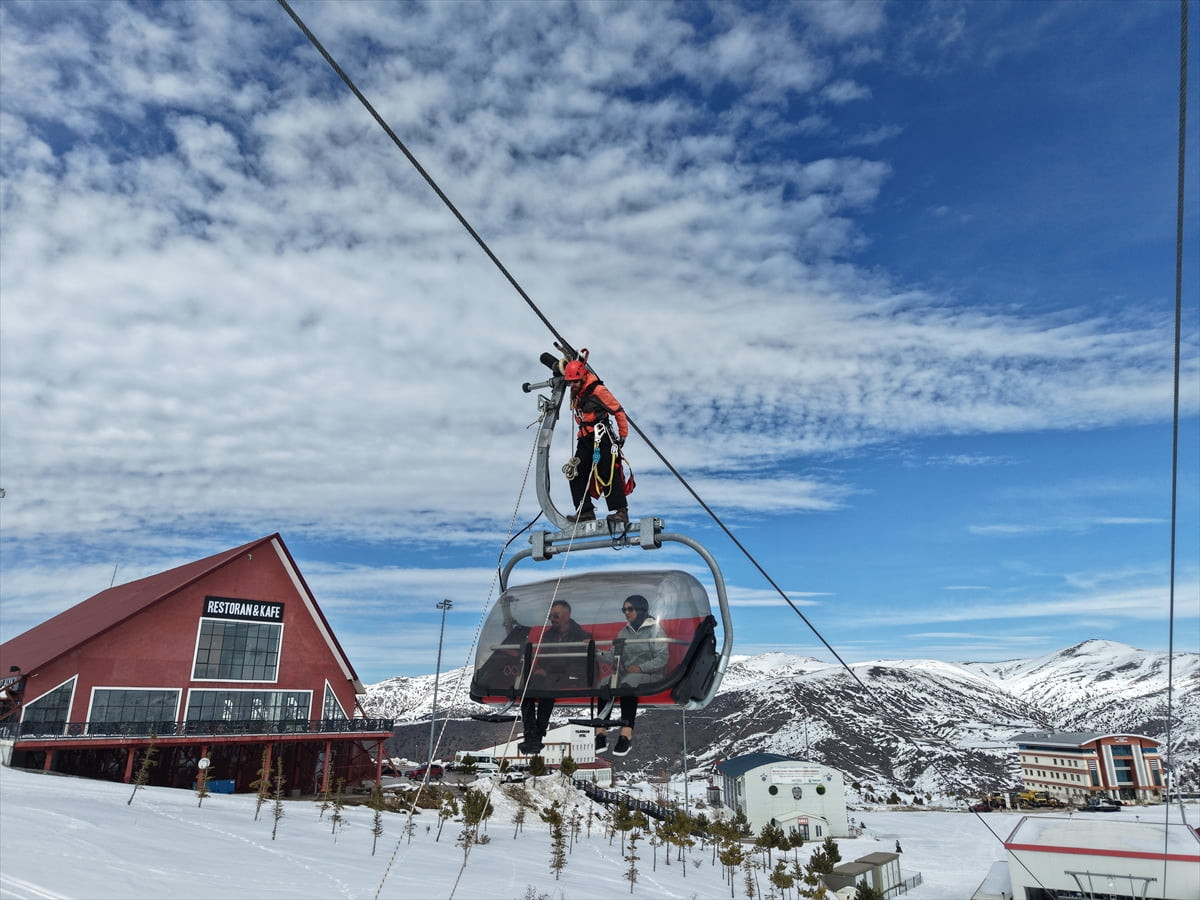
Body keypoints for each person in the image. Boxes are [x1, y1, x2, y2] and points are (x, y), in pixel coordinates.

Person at [596, 594, 668, 757]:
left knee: (629, 683)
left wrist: (641, 668)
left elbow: (662, 657)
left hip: (652, 675)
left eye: (630, 609)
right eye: (624, 609)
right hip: (628, 673)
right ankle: (600, 733)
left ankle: (626, 735)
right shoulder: (624, 632)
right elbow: (614, 655)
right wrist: (595, 652)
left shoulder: (655, 630)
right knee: (605, 684)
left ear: (641, 610)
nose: (626, 612)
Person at [561, 354, 629, 524]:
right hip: (585, 437)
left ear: (583, 376)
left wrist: (623, 435)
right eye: (570, 382)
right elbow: (580, 415)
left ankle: (621, 511)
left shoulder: (598, 390)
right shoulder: (576, 392)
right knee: (575, 472)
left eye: (575, 381)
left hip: (602, 436)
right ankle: (585, 512)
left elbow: (618, 411)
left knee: (608, 471)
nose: (572, 385)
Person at [518, 599, 592, 755]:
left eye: (556, 615)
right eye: (550, 616)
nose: (552, 619)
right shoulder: (548, 635)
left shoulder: (581, 635)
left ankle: (535, 736)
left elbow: (578, 662)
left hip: (573, 675)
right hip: (552, 675)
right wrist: (541, 669)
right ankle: (532, 734)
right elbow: (545, 657)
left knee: (549, 685)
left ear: (567, 615)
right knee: (527, 686)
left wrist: (550, 671)